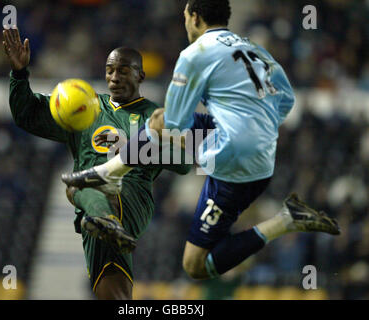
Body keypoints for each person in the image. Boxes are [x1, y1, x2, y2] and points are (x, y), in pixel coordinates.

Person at [62, 0, 340, 281]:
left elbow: (174, 123)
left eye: (185, 16)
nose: (184, 23)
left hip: (230, 156)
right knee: (196, 260)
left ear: (194, 18)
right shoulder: (255, 49)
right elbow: (287, 100)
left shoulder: (195, 53)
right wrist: (253, 126)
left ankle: (110, 173)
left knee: (159, 120)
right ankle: (287, 219)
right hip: (263, 161)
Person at [2, 26, 190, 299]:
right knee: (113, 294)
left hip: (131, 195)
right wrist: (19, 74)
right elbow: (26, 116)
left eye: (123, 71)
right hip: (92, 212)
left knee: (77, 185)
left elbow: (185, 163)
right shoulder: (84, 106)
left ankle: (104, 218)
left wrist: (142, 147)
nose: (114, 77)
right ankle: (103, 221)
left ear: (141, 75)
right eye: (109, 70)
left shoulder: (155, 115)